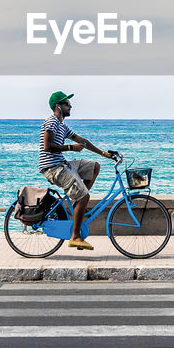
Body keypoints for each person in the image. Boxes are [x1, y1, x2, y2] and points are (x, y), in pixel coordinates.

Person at [39, 90, 118, 250]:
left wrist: (104, 153)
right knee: (84, 196)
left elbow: (81, 141)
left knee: (94, 166)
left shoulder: (61, 125)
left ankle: (78, 200)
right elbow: (47, 146)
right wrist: (70, 148)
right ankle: (75, 236)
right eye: (67, 104)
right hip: (52, 168)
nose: (70, 106)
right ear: (58, 106)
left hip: (62, 164)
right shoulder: (52, 122)